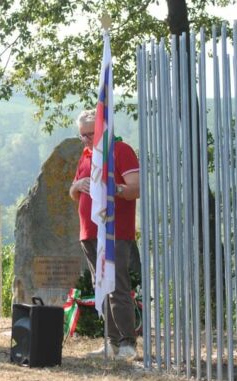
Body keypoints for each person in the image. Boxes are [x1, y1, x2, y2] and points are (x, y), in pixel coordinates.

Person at [69, 109, 141, 359]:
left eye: (90, 134)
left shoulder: (121, 151)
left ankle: (127, 342)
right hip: (89, 231)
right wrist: (78, 185)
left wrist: (115, 188)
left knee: (117, 285)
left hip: (114, 231)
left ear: (103, 130)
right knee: (100, 285)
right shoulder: (87, 154)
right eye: (82, 136)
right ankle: (110, 342)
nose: (86, 140)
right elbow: (73, 191)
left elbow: (135, 189)